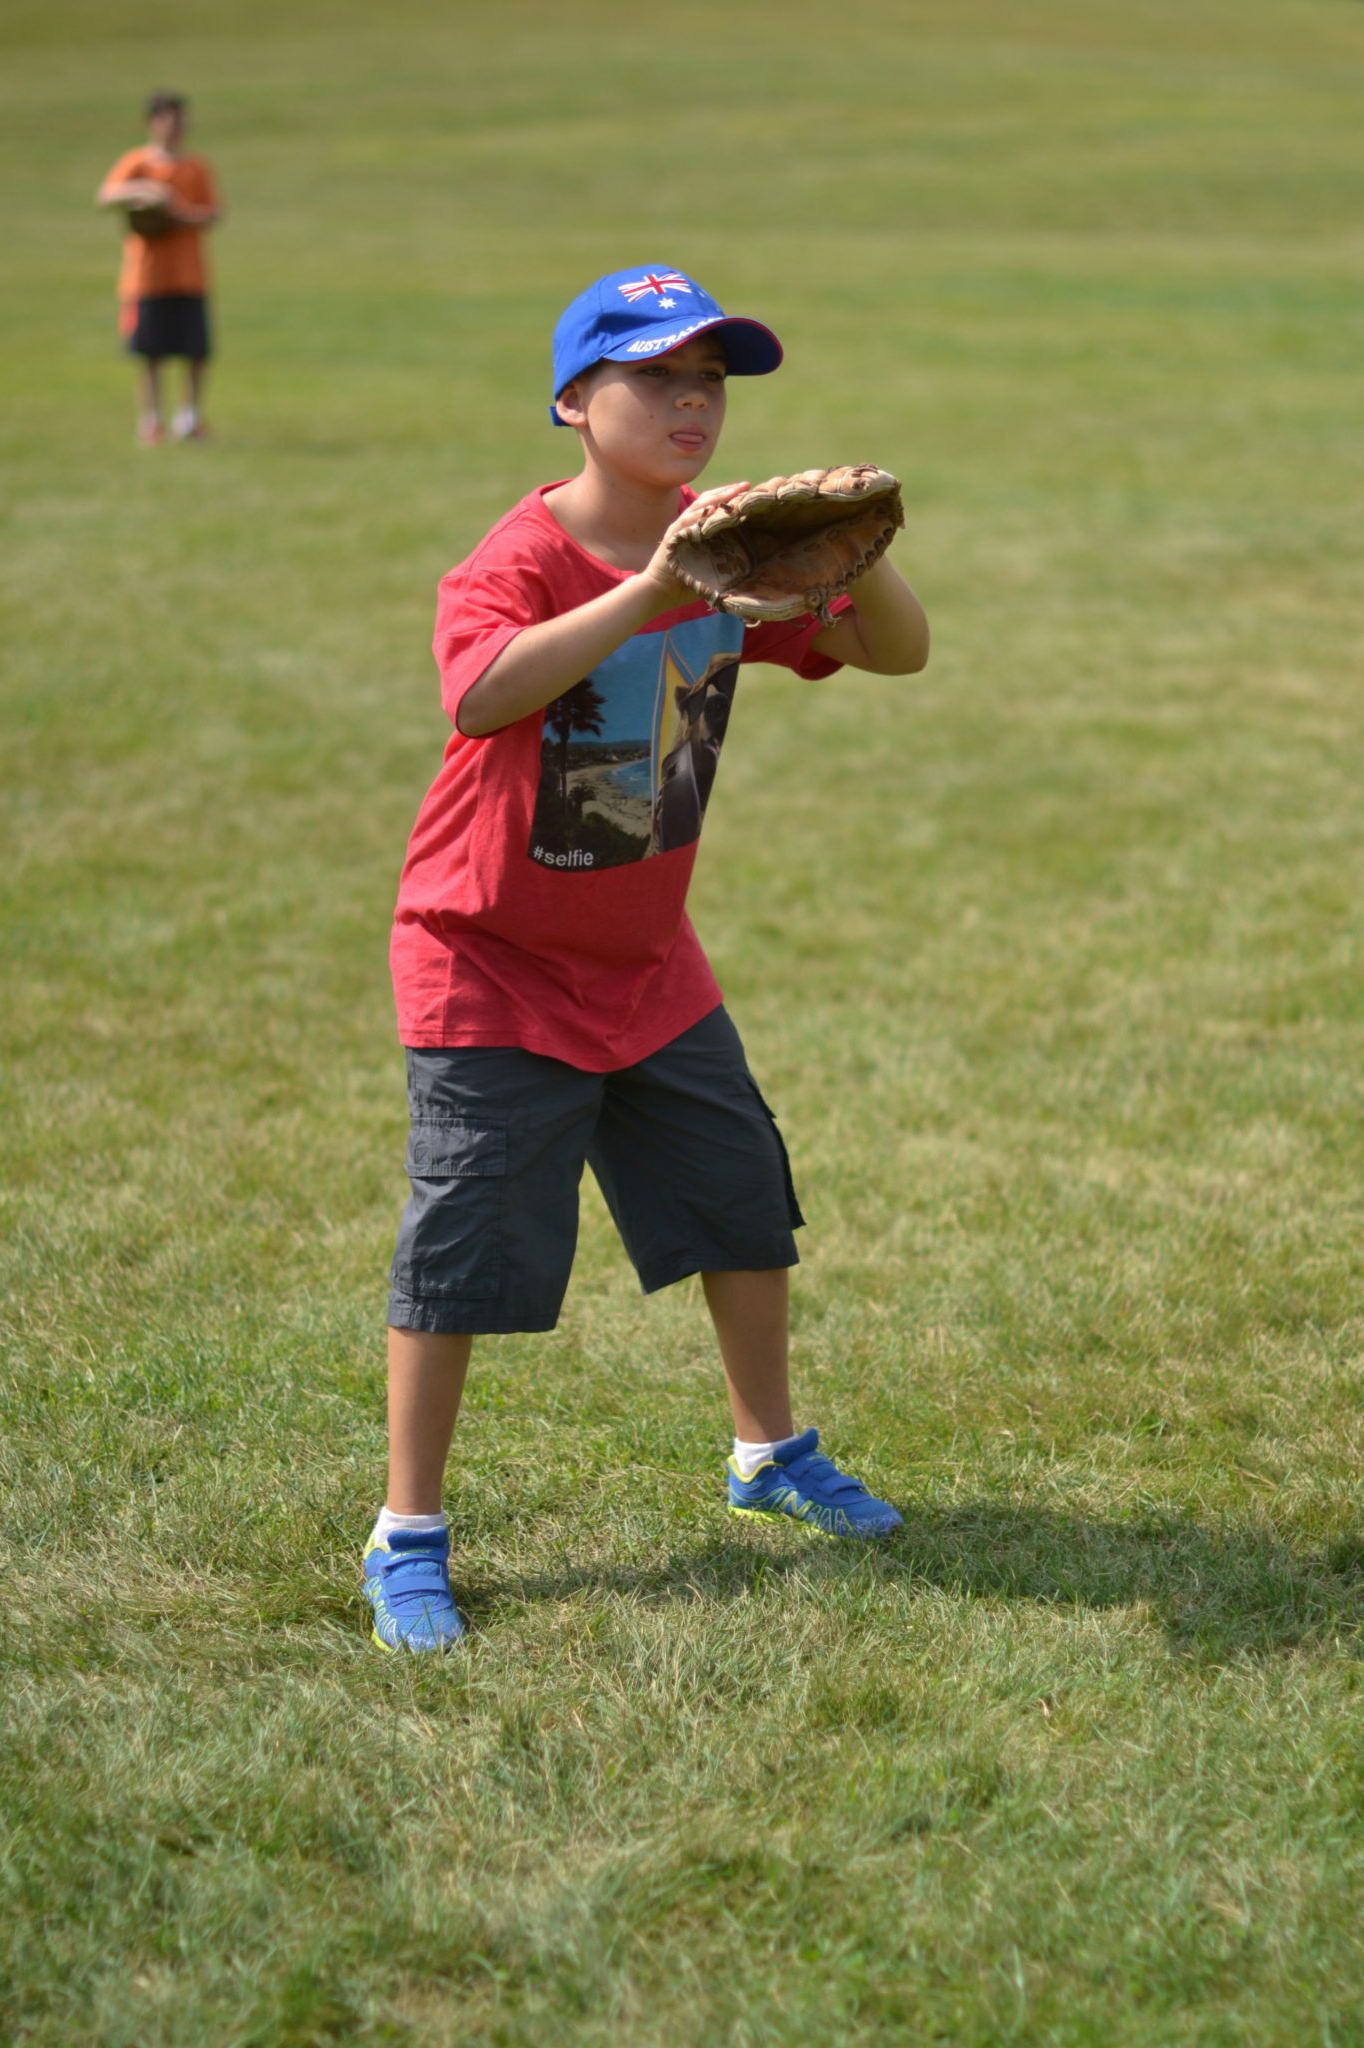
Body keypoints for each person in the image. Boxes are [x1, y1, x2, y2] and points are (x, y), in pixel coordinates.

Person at [365, 265, 931, 1651]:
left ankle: (768, 1454)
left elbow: (898, 653)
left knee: (740, 1203)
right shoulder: (521, 558)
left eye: (710, 383)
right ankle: (407, 1532)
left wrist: (852, 554)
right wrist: (651, 590)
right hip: (489, 961)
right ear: (573, 401)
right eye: (655, 377)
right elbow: (478, 692)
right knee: (462, 1250)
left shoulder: (729, 548)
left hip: (647, 958)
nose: (692, 404)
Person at [96, 92, 222, 445]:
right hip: (146, 276)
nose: (175, 126)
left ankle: (189, 417)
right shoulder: (137, 162)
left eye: (180, 118)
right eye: (168, 118)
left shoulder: (195, 166)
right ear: (151, 122)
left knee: (195, 350)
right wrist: (150, 190)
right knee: (150, 352)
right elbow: (105, 195)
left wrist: (177, 215)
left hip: (189, 274)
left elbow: (213, 213)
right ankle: (151, 419)